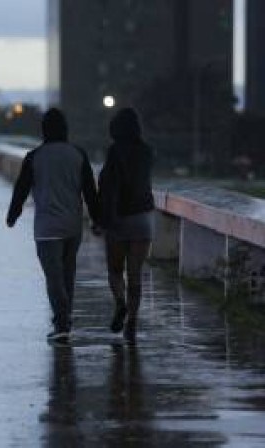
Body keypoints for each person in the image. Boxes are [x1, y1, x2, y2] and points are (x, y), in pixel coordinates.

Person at [6, 108, 99, 342]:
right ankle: (64, 319)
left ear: (44, 130)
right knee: (67, 275)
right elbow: (90, 192)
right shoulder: (78, 154)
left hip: (46, 228)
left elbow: (21, 189)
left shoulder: (34, 157)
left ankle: (62, 322)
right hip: (72, 227)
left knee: (54, 278)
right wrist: (98, 219)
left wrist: (12, 215)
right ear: (65, 129)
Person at [98, 107, 154, 343]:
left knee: (114, 270)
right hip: (143, 217)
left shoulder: (114, 151)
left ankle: (120, 303)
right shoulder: (147, 151)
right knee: (135, 274)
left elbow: (109, 185)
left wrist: (101, 218)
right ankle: (132, 322)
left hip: (120, 217)